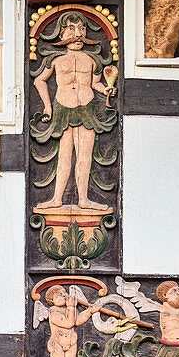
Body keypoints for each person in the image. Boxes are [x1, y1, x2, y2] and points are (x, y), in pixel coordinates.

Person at [33, 13, 117, 211]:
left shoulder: (92, 60)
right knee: (64, 156)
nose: (78, 34)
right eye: (72, 29)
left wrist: (105, 89)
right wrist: (47, 106)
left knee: (84, 156)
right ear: (61, 34)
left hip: (86, 108)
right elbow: (39, 81)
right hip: (63, 108)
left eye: (82, 29)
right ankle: (57, 198)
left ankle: (83, 199)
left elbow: (95, 83)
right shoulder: (55, 60)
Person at [45, 285, 101, 357]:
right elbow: (68, 323)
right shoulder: (53, 311)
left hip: (71, 342)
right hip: (57, 343)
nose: (64, 295)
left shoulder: (71, 309)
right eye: (59, 295)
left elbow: (77, 321)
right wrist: (71, 306)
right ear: (52, 301)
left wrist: (89, 311)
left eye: (65, 293)